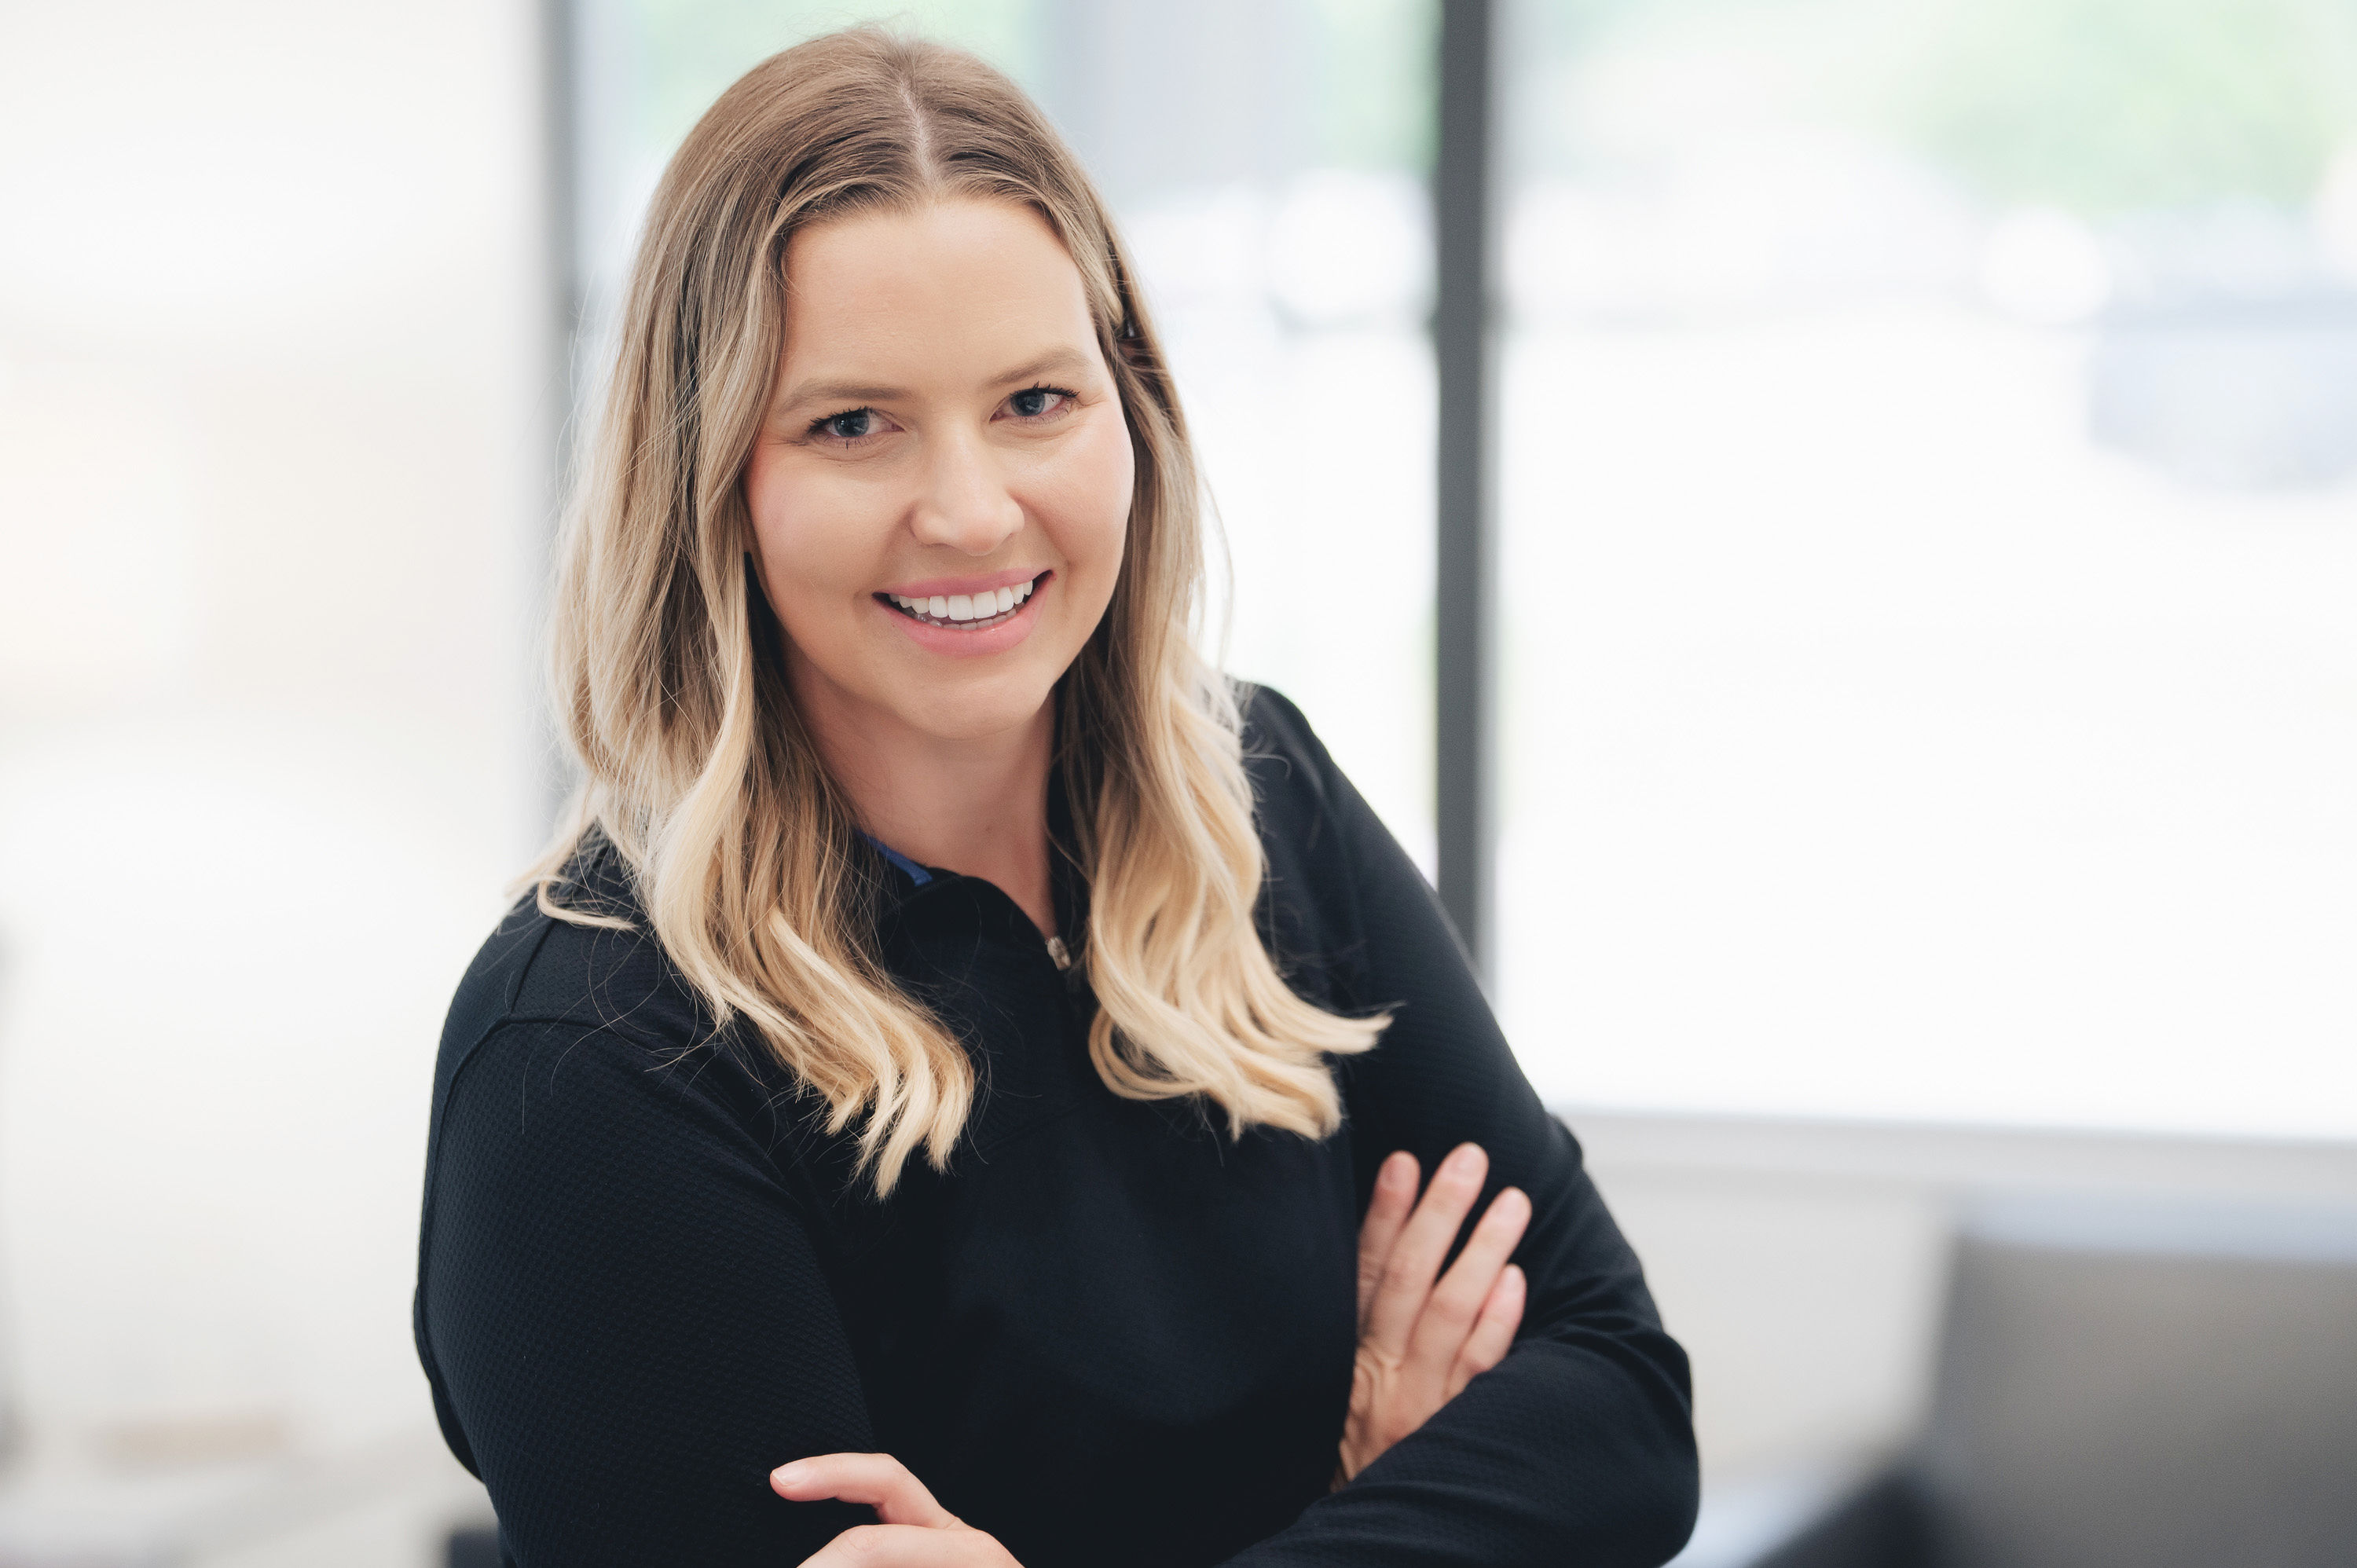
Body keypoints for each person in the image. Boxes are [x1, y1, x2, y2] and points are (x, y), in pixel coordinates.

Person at [414, 26, 1697, 1568]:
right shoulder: (595, 1059)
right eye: (850, 422)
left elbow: (1621, 1405)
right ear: (710, 485)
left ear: (1132, 415)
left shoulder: (1265, 801)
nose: (969, 508)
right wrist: (1387, 1508)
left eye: (1035, 400)